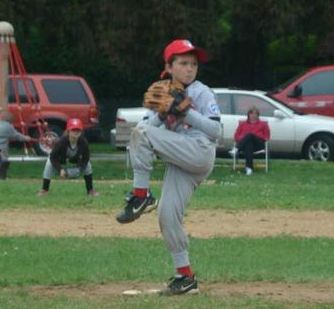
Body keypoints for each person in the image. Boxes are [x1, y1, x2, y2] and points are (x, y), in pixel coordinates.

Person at [116, 39, 222, 295]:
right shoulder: (163, 92)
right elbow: (147, 129)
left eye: (193, 64)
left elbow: (216, 130)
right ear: (169, 66)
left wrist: (186, 113)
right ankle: (185, 278)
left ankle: (141, 195)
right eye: (183, 63)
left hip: (199, 152)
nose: (190, 69)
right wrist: (163, 114)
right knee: (167, 216)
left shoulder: (201, 91)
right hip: (180, 160)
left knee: (142, 132)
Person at [38, 118, 99, 196]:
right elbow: (53, 157)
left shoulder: (83, 142)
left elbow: (86, 158)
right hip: (61, 161)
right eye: (73, 130)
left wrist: (80, 167)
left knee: (88, 165)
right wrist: (60, 169)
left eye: (78, 130)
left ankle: (90, 190)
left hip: (75, 161)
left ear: (81, 132)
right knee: (49, 163)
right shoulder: (61, 142)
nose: (76, 132)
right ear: (68, 131)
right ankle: (44, 189)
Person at [229, 106, 270, 175]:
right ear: (248, 115)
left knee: (250, 135)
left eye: (255, 114)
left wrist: (257, 136)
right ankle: (249, 169)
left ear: (258, 115)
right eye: (251, 114)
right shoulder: (243, 124)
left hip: (258, 144)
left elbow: (267, 136)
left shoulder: (263, 124)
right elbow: (236, 136)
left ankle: (236, 149)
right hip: (246, 145)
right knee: (248, 144)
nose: (253, 116)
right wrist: (243, 138)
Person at [0, 110, 35, 179]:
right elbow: (17, 136)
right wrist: (26, 138)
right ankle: (2, 175)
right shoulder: (8, 127)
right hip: (2, 149)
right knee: (4, 160)